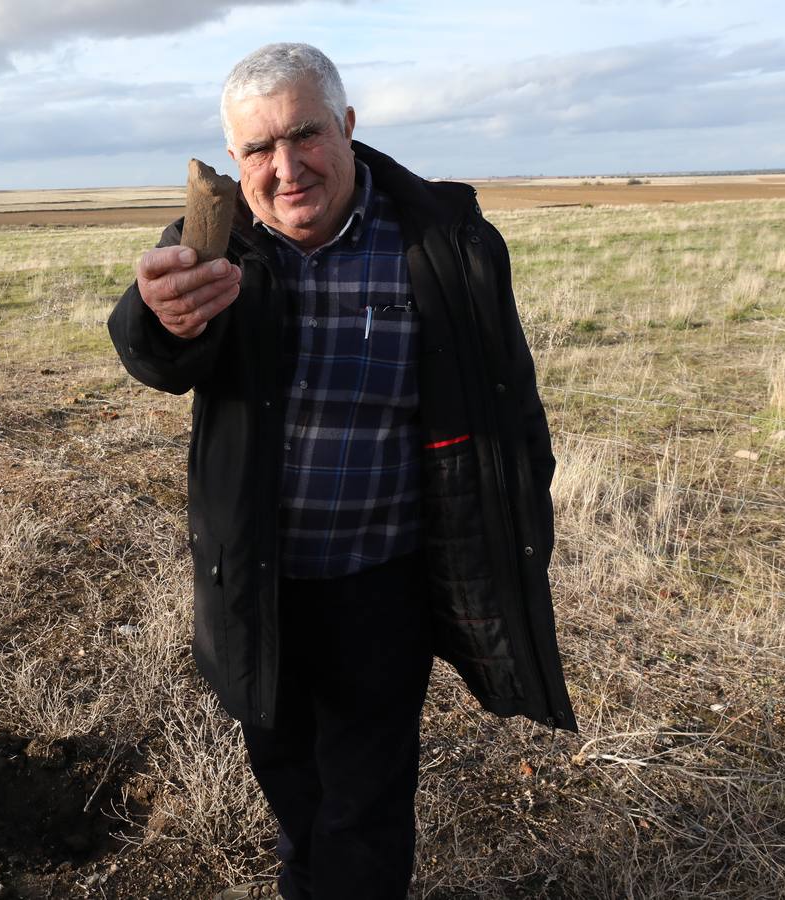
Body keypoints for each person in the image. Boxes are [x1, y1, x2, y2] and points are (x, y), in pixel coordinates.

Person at [107, 43, 576, 900]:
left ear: (348, 127)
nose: (285, 168)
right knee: (293, 790)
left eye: (305, 135)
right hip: (257, 586)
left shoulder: (442, 245)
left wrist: (516, 524)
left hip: (381, 587)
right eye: (257, 149)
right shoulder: (216, 247)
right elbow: (158, 354)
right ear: (236, 160)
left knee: (363, 809)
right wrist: (154, 314)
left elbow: (511, 407)